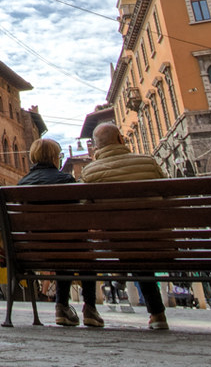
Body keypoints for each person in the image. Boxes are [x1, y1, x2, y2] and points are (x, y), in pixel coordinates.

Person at [80, 122, 169, 330]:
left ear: (95, 148)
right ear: (121, 139)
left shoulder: (89, 173)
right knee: (138, 245)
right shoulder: (148, 163)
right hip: (157, 244)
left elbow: (85, 216)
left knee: (125, 245)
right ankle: (157, 313)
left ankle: (90, 307)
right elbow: (170, 198)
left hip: (114, 249)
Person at [18, 137, 103, 328]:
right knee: (79, 250)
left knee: (65, 249)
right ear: (56, 158)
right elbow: (79, 218)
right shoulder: (65, 180)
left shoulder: (21, 185)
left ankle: (62, 308)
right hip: (67, 247)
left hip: (33, 253)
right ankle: (89, 308)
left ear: (33, 157)